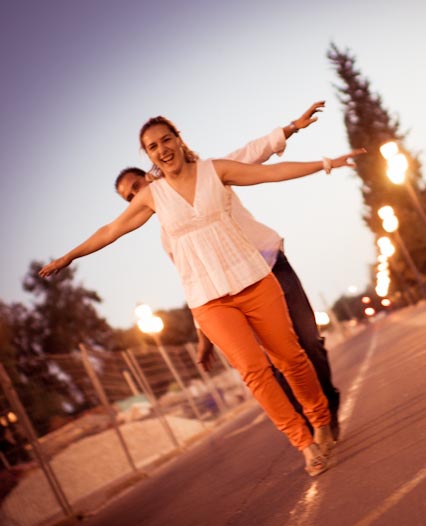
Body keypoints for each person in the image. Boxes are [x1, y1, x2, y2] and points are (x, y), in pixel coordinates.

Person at [40, 116, 365, 477]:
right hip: (210, 301)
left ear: (179, 140)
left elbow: (272, 173)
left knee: (290, 357)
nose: (162, 149)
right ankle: (304, 443)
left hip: (254, 279)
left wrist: (325, 163)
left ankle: (321, 420)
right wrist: (70, 255)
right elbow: (112, 230)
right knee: (254, 372)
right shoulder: (153, 197)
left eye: (166, 140)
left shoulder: (215, 170)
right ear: (148, 155)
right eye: (153, 146)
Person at [114, 101, 343, 440]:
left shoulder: (207, 174)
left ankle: (327, 408)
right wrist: (203, 338)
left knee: (307, 341)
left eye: (138, 183)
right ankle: (310, 422)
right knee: (270, 362)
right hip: (234, 291)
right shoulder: (170, 234)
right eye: (130, 196)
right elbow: (195, 283)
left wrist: (293, 127)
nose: (138, 193)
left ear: (152, 170)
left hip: (268, 264)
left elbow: (255, 154)